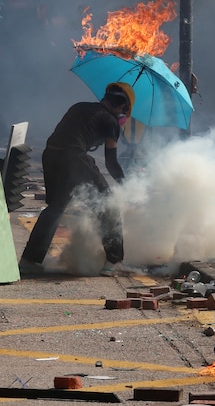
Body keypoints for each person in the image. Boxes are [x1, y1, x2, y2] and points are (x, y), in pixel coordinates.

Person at [19, 82, 135, 277]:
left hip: (51, 155)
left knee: (55, 208)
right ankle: (113, 262)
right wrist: (125, 184)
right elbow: (111, 162)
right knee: (108, 205)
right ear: (123, 108)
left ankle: (29, 260)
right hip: (75, 159)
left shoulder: (79, 106)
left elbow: (73, 135)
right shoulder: (111, 122)